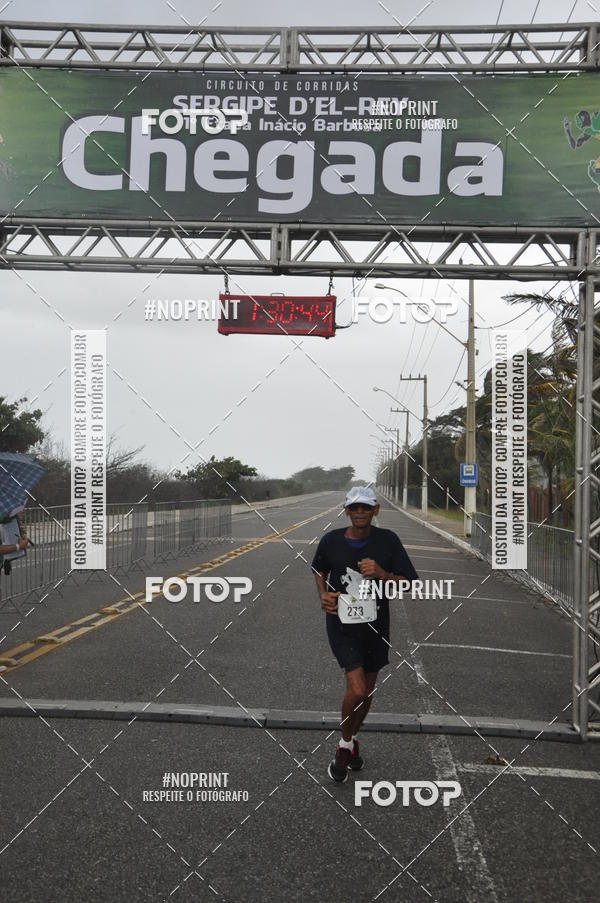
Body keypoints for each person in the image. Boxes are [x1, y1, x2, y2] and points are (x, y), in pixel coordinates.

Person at [312, 486, 418, 783]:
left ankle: (352, 740)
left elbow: (409, 583)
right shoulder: (331, 540)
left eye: (366, 508)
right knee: (357, 689)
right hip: (342, 625)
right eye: (355, 508)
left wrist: (384, 574)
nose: (360, 512)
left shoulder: (388, 541)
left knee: (368, 690)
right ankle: (345, 744)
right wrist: (323, 596)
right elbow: (318, 569)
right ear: (346, 510)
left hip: (376, 625)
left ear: (375, 510)